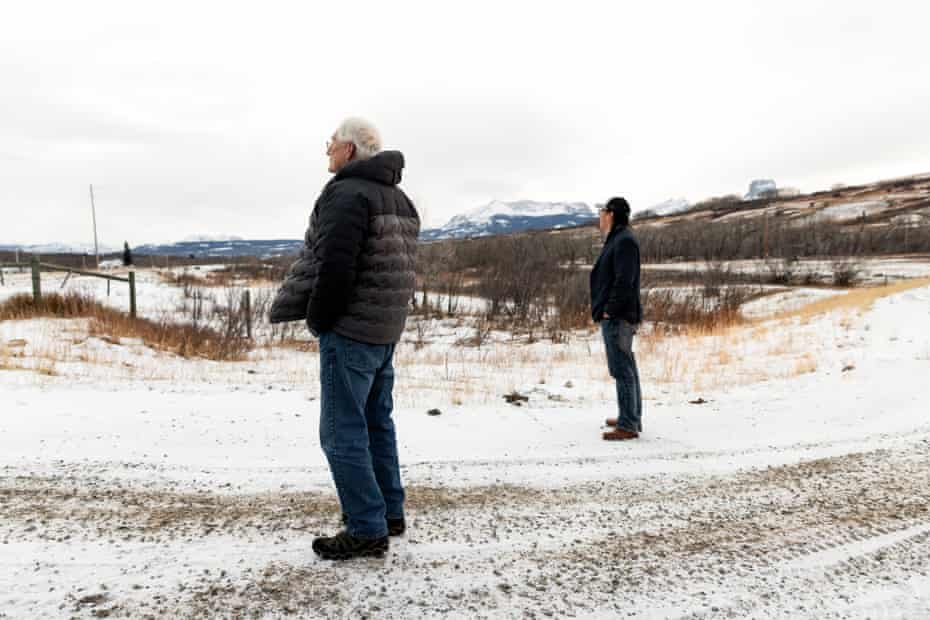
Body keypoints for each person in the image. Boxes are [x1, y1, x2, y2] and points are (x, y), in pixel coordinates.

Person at [270, 117, 420, 560]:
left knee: (341, 433)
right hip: (384, 330)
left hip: (351, 330)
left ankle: (366, 528)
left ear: (350, 150)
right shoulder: (399, 197)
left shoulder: (347, 194)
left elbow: (336, 265)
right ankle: (388, 513)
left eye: (332, 143)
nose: (327, 150)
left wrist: (319, 319)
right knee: (376, 423)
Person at [590, 197, 643, 441]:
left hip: (619, 316)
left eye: (602, 211)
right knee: (626, 367)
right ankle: (630, 416)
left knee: (622, 369)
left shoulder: (624, 241)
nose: (599, 215)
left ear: (611, 214)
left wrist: (610, 309)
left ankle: (628, 424)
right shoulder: (618, 238)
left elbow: (625, 280)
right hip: (618, 315)